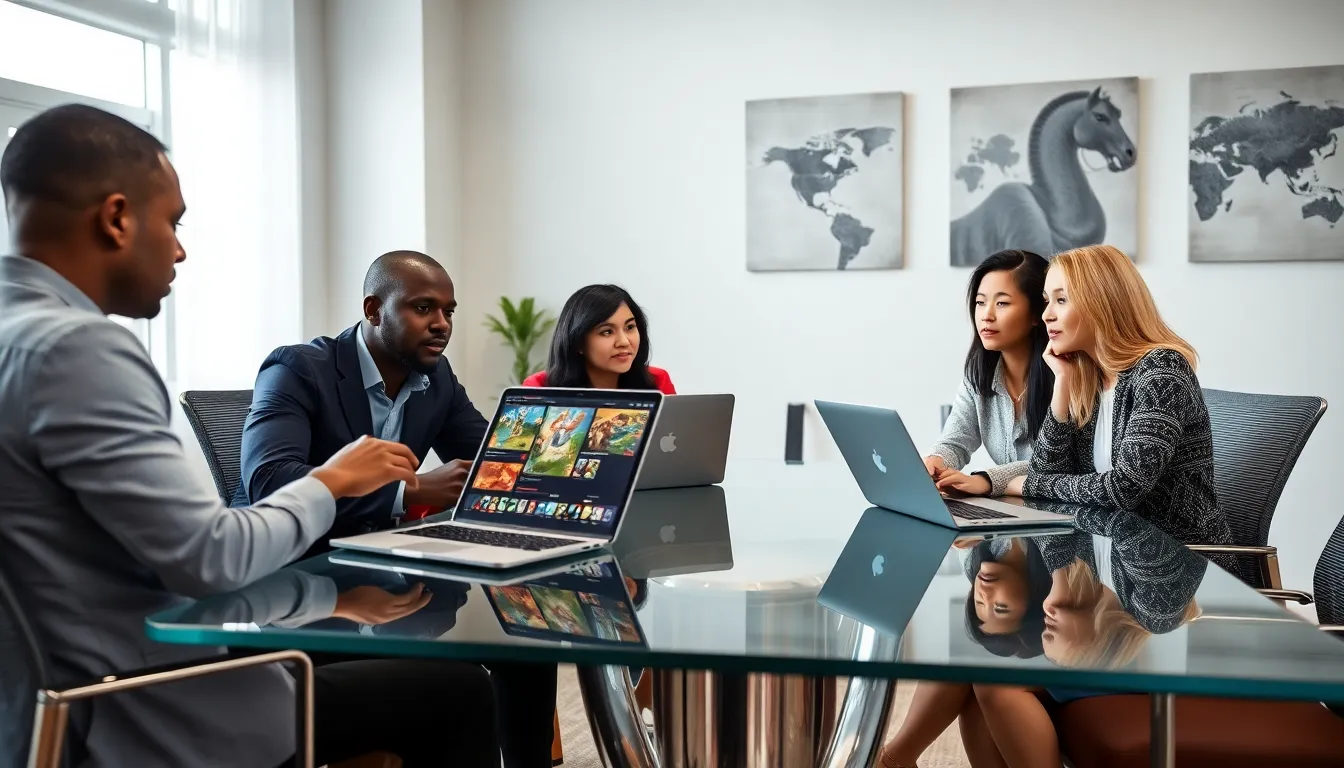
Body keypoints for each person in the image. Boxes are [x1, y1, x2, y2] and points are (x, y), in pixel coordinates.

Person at [0, 105, 497, 767]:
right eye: (173, 223)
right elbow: (212, 558)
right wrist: (335, 478)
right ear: (117, 218)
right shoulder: (78, 349)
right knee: (458, 691)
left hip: (37, 703)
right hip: (138, 704)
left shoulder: (19, 337)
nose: (180, 248)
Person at [234, 249, 556, 767]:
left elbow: (490, 457)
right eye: (424, 308)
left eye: (449, 311)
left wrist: (573, 462)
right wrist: (409, 493)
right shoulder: (298, 368)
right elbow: (270, 484)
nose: (442, 324)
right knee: (462, 686)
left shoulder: (436, 378)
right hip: (298, 590)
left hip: (386, 571)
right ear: (373, 308)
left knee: (529, 645)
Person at [1000, 244, 1233, 549]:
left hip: (1177, 570)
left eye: (1061, 300)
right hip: (1113, 562)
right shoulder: (1089, 379)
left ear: (1102, 303)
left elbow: (1126, 487)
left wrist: (1031, 485)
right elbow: (1046, 476)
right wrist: (1063, 383)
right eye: (1046, 301)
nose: (1046, 315)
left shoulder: (1162, 370)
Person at [924, 249, 1054, 497]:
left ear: (1038, 313)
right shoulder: (979, 372)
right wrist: (936, 462)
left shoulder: (1067, 374)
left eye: (1002, 303)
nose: (986, 315)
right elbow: (956, 441)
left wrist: (988, 481)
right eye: (980, 302)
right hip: (1016, 514)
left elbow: (1059, 463)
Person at [522, 284, 676, 394]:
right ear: (578, 342)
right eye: (607, 332)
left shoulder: (656, 380)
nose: (624, 341)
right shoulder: (539, 387)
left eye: (629, 327)